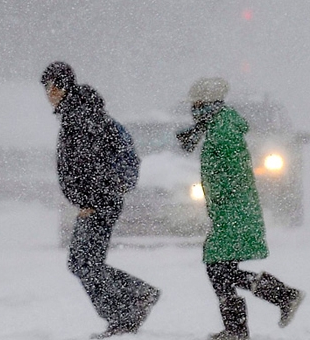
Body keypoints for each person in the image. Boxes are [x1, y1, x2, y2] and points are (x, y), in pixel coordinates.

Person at [176, 77, 305, 340]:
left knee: (218, 268)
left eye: (197, 103)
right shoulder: (216, 125)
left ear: (209, 103)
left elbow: (233, 174)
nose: (193, 108)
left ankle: (279, 300)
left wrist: (219, 198)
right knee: (221, 270)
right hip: (230, 211)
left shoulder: (222, 130)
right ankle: (250, 319)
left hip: (234, 211)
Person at [41, 61, 160, 339]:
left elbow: (93, 163)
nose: (48, 93)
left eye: (50, 87)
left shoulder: (81, 116)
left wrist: (91, 200)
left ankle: (129, 306)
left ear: (61, 86)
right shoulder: (79, 113)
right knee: (84, 263)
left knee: (84, 263)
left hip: (98, 203)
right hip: (98, 200)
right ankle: (131, 305)